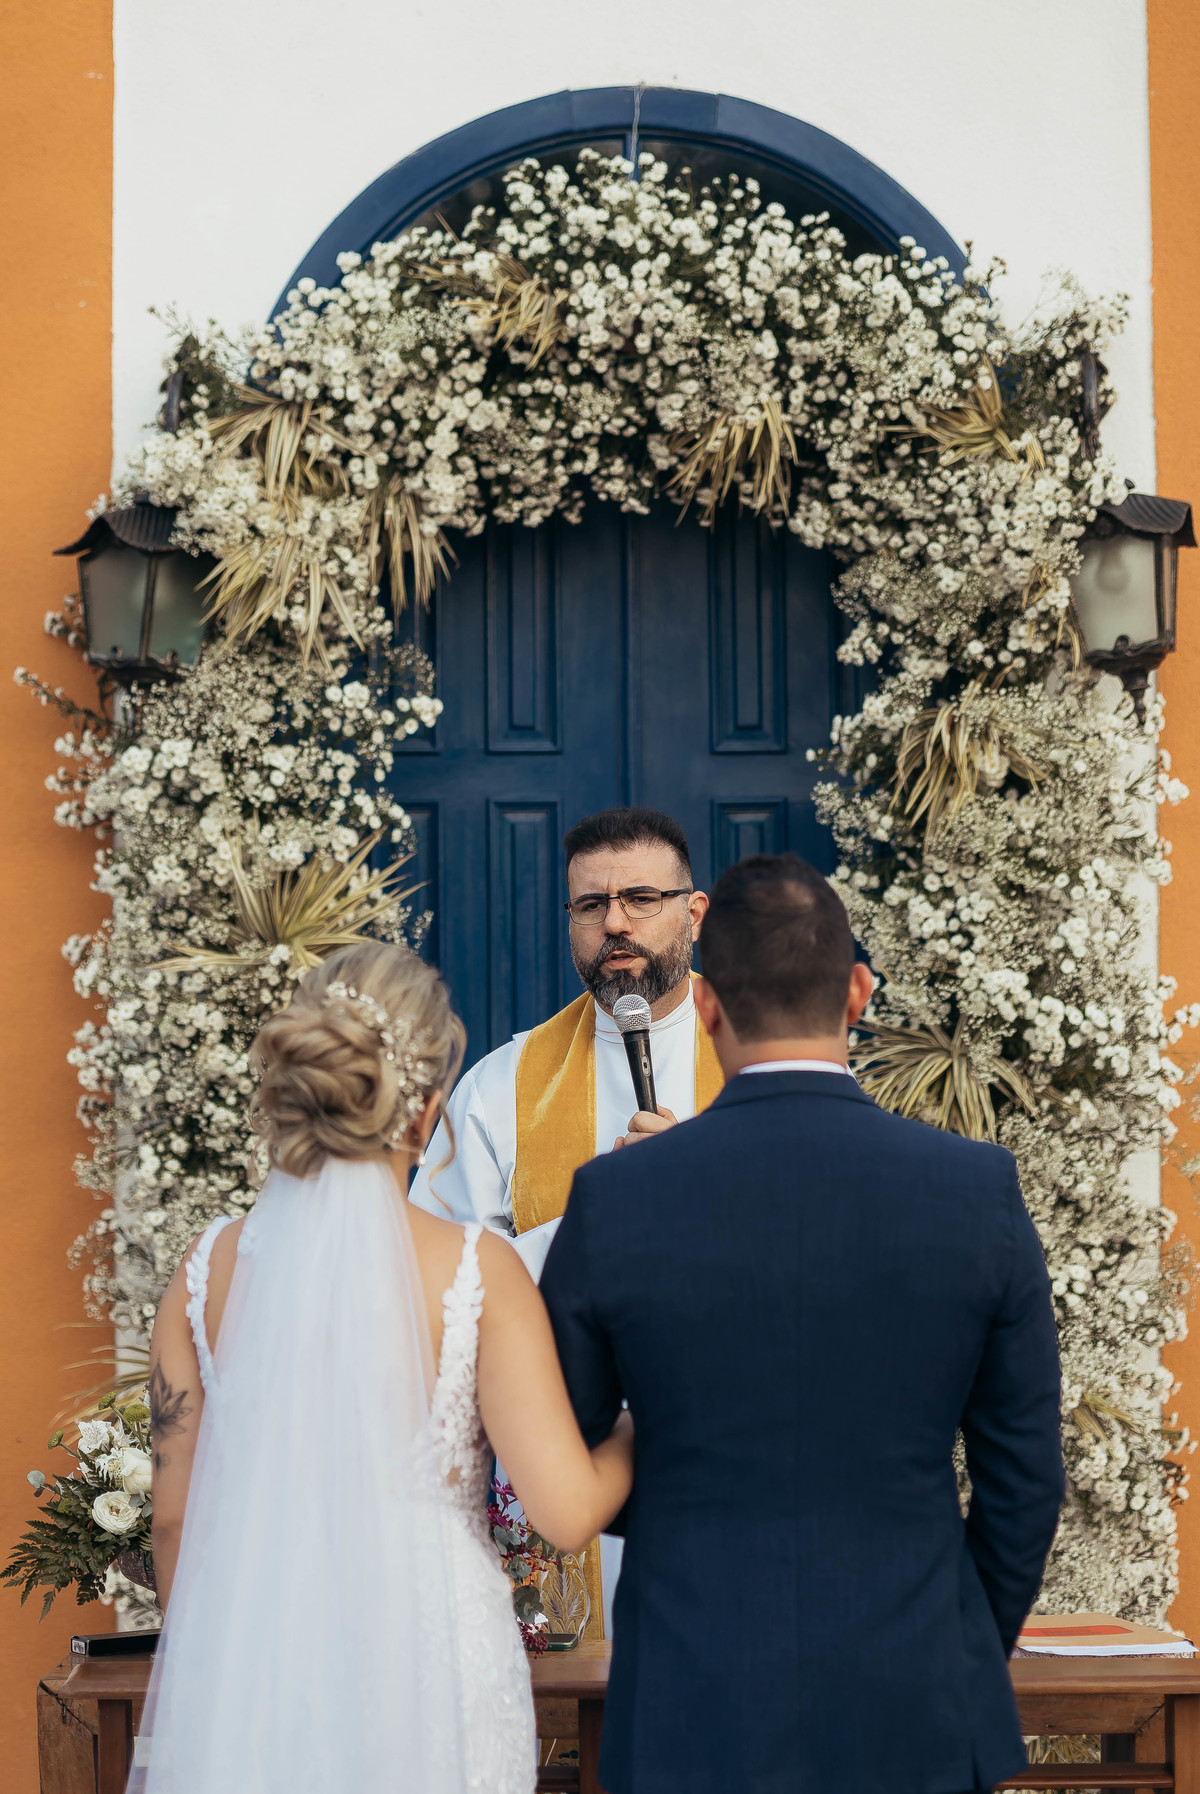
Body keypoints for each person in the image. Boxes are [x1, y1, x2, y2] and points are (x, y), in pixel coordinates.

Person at [540, 852, 1065, 1794]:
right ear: (858, 991)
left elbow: (570, 1436)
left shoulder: (617, 1199)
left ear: (706, 1006)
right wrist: (951, 1645)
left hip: (689, 1696)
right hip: (917, 1698)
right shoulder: (974, 1191)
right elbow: (1023, 1483)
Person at [141, 940, 634, 1794]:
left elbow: (176, 1525)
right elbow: (565, 1511)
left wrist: (224, 1675)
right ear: (425, 1110)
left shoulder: (204, 1269)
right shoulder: (477, 1271)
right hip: (437, 1667)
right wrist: (645, 1422)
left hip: (258, 1667)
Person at [409, 805, 723, 1633]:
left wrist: (708, 1188)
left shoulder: (761, 1066)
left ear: (693, 912)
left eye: (640, 898)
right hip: (565, 1467)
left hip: (736, 1445)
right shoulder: (499, 1087)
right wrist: (598, 1217)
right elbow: (432, 1282)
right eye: (590, 905)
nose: (614, 922)